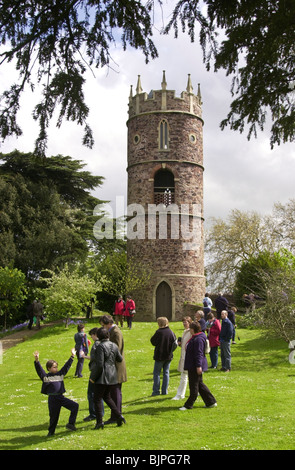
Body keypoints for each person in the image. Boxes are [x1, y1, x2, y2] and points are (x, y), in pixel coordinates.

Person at [33, 348, 79, 436]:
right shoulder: (45, 377)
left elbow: (66, 367)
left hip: (60, 397)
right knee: (54, 417)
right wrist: (37, 360)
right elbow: (39, 370)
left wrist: (72, 356)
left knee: (75, 406)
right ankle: (51, 432)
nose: (56, 368)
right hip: (52, 399)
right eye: (54, 367)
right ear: (49, 368)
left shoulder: (60, 374)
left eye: (56, 366)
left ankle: (71, 424)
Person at [89, 327, 126, 430]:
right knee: (107, 397)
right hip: (112, 375)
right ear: (108, 335)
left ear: (99, 336)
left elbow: (100, 365)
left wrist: (93, 377)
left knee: (96, 399)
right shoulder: (114, 345)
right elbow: (120, 358)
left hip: (102, 376)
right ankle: (119, 416)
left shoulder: (100, 346)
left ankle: (99, 422)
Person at [179, 321, 217, 410]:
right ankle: (211, 401)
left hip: (195, 365)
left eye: (190, 329)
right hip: (193, 364)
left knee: (194, 385)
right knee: (200, 384)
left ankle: (188, 405)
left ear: (193, 329)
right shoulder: (196, 337)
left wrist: (198, 366)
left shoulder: (198, 339)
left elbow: (198, 353)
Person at [99, 315, 127, 424]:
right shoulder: (113, 331)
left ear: (108, 324)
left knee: (115, 392)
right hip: (113, 365)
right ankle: (115, 415)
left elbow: (116, 349)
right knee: (113, 392)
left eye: (103, 325)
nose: (103, 328)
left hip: (116, 366)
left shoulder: (115, 332)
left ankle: (117, 416)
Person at [150, 316, 177, 396]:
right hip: (168, 355)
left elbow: (153, 342)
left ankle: (156, 391)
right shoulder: (171, 332)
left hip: (160, 356)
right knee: (166, 373)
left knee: (157, 373)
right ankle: (164, 391)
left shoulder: (159, 332)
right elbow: (174, 343)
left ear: (160, 323)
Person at [83, 327, 101, 422]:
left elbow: (95, 358)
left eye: (92, 335)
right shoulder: (104, 342)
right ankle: (99, 412)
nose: (92, 337)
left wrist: (84, 356)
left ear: (95, 334)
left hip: (95, 371)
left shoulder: (96, 344)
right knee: (100, 393)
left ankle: (94, 413)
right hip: (101, 371)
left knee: (92, 393)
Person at [172, 316, 192, 400]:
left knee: (185, 376)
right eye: (183, 322)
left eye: (186, 322)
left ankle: (180, 395)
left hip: (189, 357)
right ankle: (197, 391)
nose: (184, 324)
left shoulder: (191, 332)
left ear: (190, 323)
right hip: (184, 356)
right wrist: (180, 344)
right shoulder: (185, 332)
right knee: (188, 376)